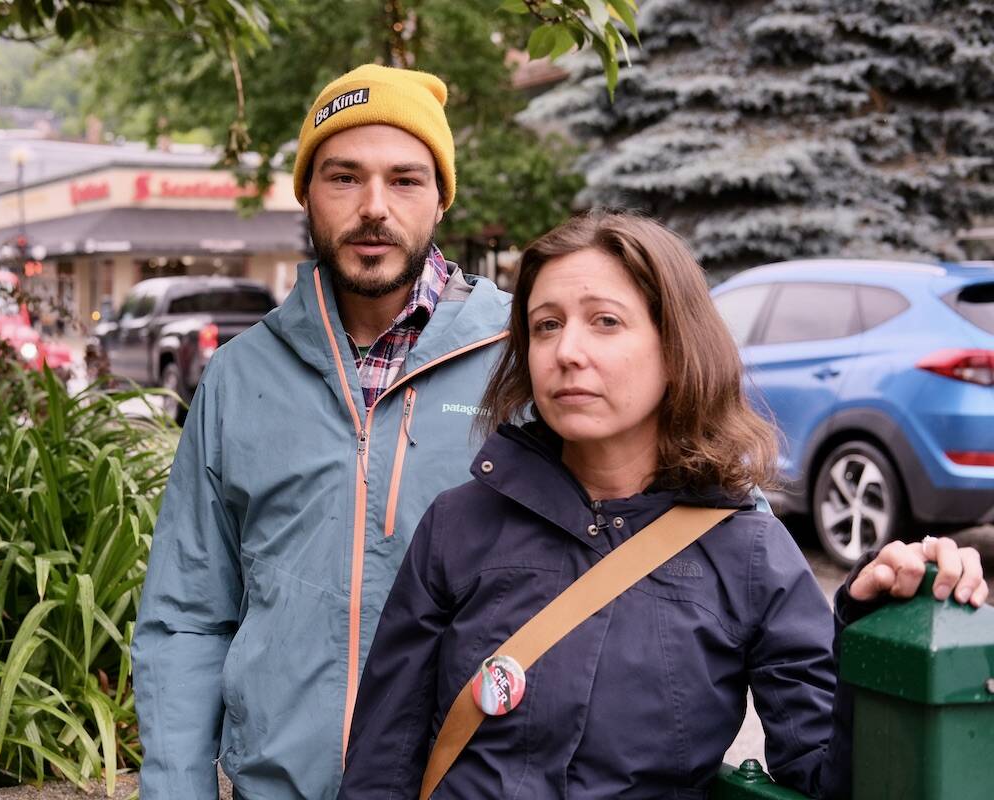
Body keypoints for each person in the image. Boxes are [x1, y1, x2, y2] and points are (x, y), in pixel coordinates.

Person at [338, 211, 988, 799]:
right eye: (546, 326)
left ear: (676, 351)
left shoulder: (752, 557)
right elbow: (382, 764)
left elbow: (825, 774)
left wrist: (870, 627)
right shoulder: (459, 525)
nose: (567, 351)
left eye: (606, 321)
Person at [131, 65, 511, 799]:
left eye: (404, 180)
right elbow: (187, 618)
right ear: (307, 193)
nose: (374, 207)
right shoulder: (238, 379)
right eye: (344, 177)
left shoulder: (520, 366)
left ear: (440, 198)